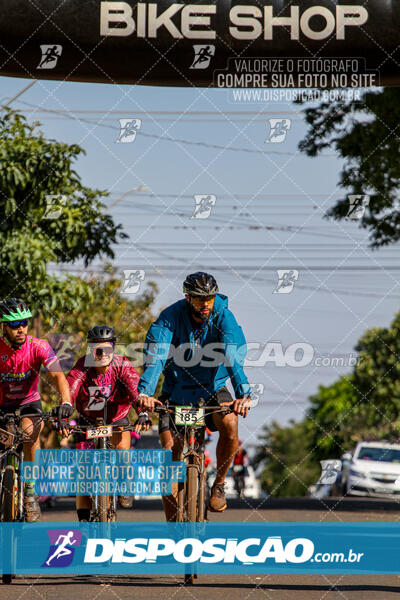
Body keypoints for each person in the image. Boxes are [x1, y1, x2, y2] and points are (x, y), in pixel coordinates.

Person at [137, 272, 252, 520]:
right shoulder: (169, 318)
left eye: (209, 298)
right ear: (188, 298)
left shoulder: (223, 315)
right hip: (176, 392)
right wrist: (145, 393)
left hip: (213, 390)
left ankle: (219, 483)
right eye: (200, 299)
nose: (205, 304)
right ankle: (173, 527)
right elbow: (155, 358)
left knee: (231, 422)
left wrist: (243, 394)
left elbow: (232, 356)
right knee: (170, 455)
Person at [56, 325, 150, 521]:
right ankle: (83, 521)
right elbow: (70, 390)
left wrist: (142, 413)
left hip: (117, 418)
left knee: (123, 452)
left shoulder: (122, 365)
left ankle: (124, 482)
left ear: (113, 349)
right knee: (83, 477)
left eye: (106, 349)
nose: (102, 354)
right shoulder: (82, 366)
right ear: (90, 350)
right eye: (97, 350)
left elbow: (135, 390)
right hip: (89, 420)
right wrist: (63, 416)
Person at [0, 298, 70, 522]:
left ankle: (30, 491)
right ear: (3, 326)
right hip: (2, 403)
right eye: (14, 324)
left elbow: (59, 376)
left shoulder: (38, 346)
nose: (20, 328)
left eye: (24, 322)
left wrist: (66, 403)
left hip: (28, 402)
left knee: (31, 435)